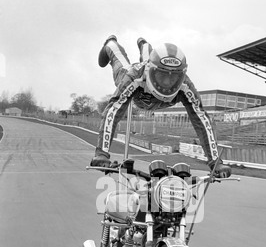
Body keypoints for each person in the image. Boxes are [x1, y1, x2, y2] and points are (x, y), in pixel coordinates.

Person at [91, 35, 231, 178]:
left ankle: (144, 45)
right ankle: (111, 43)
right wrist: (102, 153)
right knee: (121, 66)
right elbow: (113, 111)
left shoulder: (186, 86)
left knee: (148, 56)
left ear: (182, 74)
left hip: (149, 82)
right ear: (150, 70)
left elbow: (202, 120)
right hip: (136, 90)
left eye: (173, 76)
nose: (167, 82)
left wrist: (215, 162)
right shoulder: (134, 77)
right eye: (162, 75)